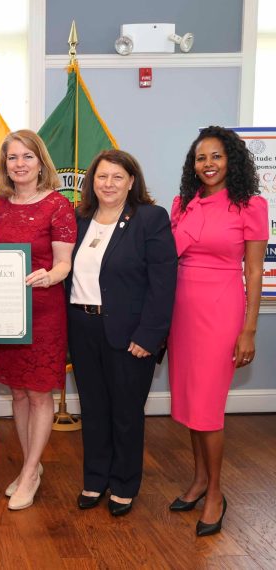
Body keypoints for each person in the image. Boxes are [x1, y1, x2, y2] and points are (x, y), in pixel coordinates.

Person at [168, 126, 267, 537]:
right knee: (193, 404)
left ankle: (216, 493)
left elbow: (255, 270)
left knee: (208, 408)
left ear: (233, 161)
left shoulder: (251, 205)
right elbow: (165, 258)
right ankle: (199, 479)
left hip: (222, 310)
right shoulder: (182, 204)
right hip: (182, 313)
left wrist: (249, 330)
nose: (208, 164)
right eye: (201, 158)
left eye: (217, 156)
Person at [66, 149, 177, 517]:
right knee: (94, 410)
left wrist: (150, 335)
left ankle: (125, 483)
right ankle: (95, 478)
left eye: (117, 177)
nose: (108, 183)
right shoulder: (80, 219)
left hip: (130, 334)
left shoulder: (150, 219)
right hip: (83, 329)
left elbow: (163, 285)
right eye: (101, 176)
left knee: (126, 412)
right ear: (90, 182)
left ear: (132, 181)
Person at [0, 130, 76, 510]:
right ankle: (31, 467)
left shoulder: (59, 205)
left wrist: (50, 276)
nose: (19, 164)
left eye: (27, 156)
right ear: (5, 164)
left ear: (41, 161)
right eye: (12, 158)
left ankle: (28, 472)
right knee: (18, 391)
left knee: (40, 393)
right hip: (6, 311)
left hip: (43, 311)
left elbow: (64, 263)